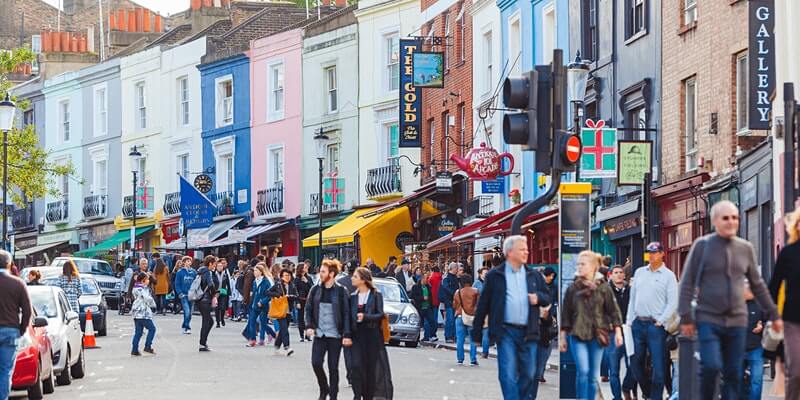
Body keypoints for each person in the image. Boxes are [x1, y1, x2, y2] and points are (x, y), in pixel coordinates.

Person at [678, 200, 782, 400]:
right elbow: (687, 283)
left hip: (737, 321)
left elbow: (758, 284)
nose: (731, 222)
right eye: (725, 218)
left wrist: (774, 314)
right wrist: (686, 317)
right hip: (708, 318)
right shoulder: (702, 246)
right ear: (715, 221)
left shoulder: (745, 248)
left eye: (735, 217)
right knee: (711, 366)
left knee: (733, 372)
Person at [471, 235, 551, 400]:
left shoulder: (533, 275)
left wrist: (538, 298)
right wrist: (476, 331)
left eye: (526, 249)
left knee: (529, 373)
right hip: (505, 331)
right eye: (522, 249)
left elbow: (547, 296)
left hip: (529, 331)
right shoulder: (495, 275)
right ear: (509, 252)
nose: (526, 252)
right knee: (507, 372)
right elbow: (483, 304)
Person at [561, 250, 624, 400]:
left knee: (593, 375)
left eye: (583, 264)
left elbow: (613, 311)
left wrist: (618, 332)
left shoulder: (603, 288)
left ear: (593, 266)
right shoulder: (573, 288)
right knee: (583, 370)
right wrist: (563, 337)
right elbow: (566, 314)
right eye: (578, 264)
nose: (579, 266)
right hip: (577, 334)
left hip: (598, 335)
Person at [626, 242, 678, 400]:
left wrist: (661, 321)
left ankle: (656, 397)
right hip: (637, 323)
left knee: (659, 366)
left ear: (662, 253)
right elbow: (633, 298)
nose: (651, 255)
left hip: (656, 326)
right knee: (635, 362)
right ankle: (647, 392)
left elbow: (673, 302)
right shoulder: (639, 272)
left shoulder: (668, 275)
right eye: (649, 252)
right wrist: (629, 321)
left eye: (655, 252)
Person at [305, 259, 352, 400]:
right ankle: (324, 388)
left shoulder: (341, 291)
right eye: (320, 271)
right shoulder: (315, 289)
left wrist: (346, 334)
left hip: (335, 335)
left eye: (323, 272)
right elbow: (308, 309)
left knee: (333, 368)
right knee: (316, 363)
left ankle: (333, 396)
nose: (320, 274)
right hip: (319, 334)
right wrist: (309, 326)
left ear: (331, 274)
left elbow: (346, 314)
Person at [349, 267, 393, 400]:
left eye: (355, 276)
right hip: (357, 336)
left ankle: (368, 396)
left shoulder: (376, 295)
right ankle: (357, 395)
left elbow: (380, 314)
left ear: (363, 280)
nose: (352, 278)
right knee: (356, 367)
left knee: (371, 368)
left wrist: (366, 317)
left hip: (373, 336)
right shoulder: (352, 297)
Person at [770, 207, 800, 400]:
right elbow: (774, 287)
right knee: (796, 370)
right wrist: (773, 316)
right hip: (792, 320)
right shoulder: (788, 253)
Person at [0, 250, 32, 400]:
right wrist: (21, 329)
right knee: (5, 370)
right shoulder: (18, 283)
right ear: (9, 264)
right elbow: (27, 311)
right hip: (10, 331)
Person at [606, 265, 636, 400]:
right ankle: (617, 397)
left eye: (621, 272)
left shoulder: (631, 290)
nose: (618, 275)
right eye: (616, 272)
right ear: (610, 275)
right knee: (614, 370)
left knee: (634, 365)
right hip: (612, 333)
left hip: (629, 331)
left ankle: (626, 386)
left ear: (625, 275)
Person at [742, 279, 766, 400]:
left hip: (756, 347)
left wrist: (762, 327)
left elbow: (768, 321)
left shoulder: (760, 304)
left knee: (756, 379)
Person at [268, 268, 298, 356]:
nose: (288, 277)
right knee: (284, 329)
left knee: (282, 330)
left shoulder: (292, 285)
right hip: (280, 310)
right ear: (281, 276)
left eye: (289, 275)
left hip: (288, 310)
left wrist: (291, 297)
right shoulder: (277, 285)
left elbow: (297, 295)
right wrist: (278, 295)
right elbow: (268, 292)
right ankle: (287, 347)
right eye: (286, 275)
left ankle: (276, 346)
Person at [245, 264, 274, 346]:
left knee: (263, 322)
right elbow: (254, 294)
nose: (254, 272)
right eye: (254, 270)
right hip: (254, 305)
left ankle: (261, 339)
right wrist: (251, 303)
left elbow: (269, 295)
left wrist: (262, 301)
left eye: (256, 271)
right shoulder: (254, 281)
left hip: (263, 306)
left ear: (261, 272)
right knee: (252, 322)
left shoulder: (266, 282)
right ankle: (253, 340)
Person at [453, 274, 479, 366]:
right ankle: (473, 359)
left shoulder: (457, 292)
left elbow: (454, 305)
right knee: (473, 339)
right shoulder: (476, 291)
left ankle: (460, 359)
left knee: (460, 339)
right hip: (472, 317)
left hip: (460, 316)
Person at [130, 272, 157, 356]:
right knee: (152, 329)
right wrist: (153, 304)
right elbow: (147, 298)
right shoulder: (143, 289)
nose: (148, 281)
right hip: (143, 312)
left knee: (138, 332)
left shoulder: (135, 288)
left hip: (136, 312)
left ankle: (134, 350)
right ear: (143, 280)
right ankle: (147, 346)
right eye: (147, 279)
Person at [196, 255, 218, 352]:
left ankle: (203, 343)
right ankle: (202, 344)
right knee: (207, 322)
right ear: (210, 263)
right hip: (205, 300)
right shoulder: (207, 272)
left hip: (200, 299)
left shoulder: (200, 271)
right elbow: (210, 284)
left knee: (209, 321)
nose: (215, 266)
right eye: (214, 264)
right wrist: (215, 293)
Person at [410, 270, 437, 342]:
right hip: (420, 307)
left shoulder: (428, 287)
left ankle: (432, 335)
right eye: (426, 278)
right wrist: (422, 298)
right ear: (422, 279)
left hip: (427, 307)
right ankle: (418, 337)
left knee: (432, 321)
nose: (427, 280)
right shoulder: (416, 287)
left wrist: (431, 304)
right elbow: (413, 296)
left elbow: (430, 296)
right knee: (419, 323)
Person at [174, 256, 197, 334]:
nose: (189, 262)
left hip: (192, 295)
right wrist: (180, 293)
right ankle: (187, 327)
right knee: (186, 311)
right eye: (187, 261)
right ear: (184, 262)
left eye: (190, 261)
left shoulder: (194, 272)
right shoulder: (180, 272)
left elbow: (196, 282)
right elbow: (177, 284)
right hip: (183, 295)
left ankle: (184, 325)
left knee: (190, 313)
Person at [439, 263, 460, 344]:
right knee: (450, 319)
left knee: (454, 320)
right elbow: (446, 288)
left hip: (455, 301)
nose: (457, 270)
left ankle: (454, 336)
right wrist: (455, 293)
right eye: (456, 268)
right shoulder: (446, 278)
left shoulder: (455, 278)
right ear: (453, 268)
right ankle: (448, 336)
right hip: (449, 301)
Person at [295, 263, 313, 342]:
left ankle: (307, 335)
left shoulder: (309, 278)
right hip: (301, 299)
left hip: (308, 300)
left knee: (308, 317)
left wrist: (307, 282)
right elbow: (295, 291)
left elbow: (312, 288)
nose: (307, 268)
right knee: (301, 318)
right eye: (305, 267)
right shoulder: (296, 279)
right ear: (301, 269)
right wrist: (297, 302)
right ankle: (301, 335)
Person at [213, 259, 231, 328]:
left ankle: (222, 318)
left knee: (223, 307)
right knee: (217, 308)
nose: (220, 267)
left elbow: (228, 283)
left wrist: (229, 292)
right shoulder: (214, 274)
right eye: (218, 266)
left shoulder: (225, 274)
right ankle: (217, 322)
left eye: (221, 266)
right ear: (216, 267)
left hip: (223, 292)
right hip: (216, 292)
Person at [429, 266, 443, 341]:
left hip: (431, 299)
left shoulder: (431, 278)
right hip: (438, 299)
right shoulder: (441, 277)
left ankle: (431, 333)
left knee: (431, 318)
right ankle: (434, 333)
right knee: (435, 316)